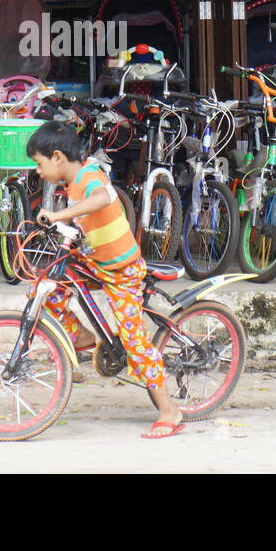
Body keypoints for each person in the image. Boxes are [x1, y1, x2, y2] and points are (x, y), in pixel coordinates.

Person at [25, 121, 184, 439]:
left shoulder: (88, 175)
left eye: (39, 164)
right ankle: (83, 337)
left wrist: (58, 215)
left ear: (57, 157)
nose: (38, 171)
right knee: (44, 288)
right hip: (96, 262)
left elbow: (102, 198)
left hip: (122, 270)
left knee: (134, 343)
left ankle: (170, 410)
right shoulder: (71, 186)